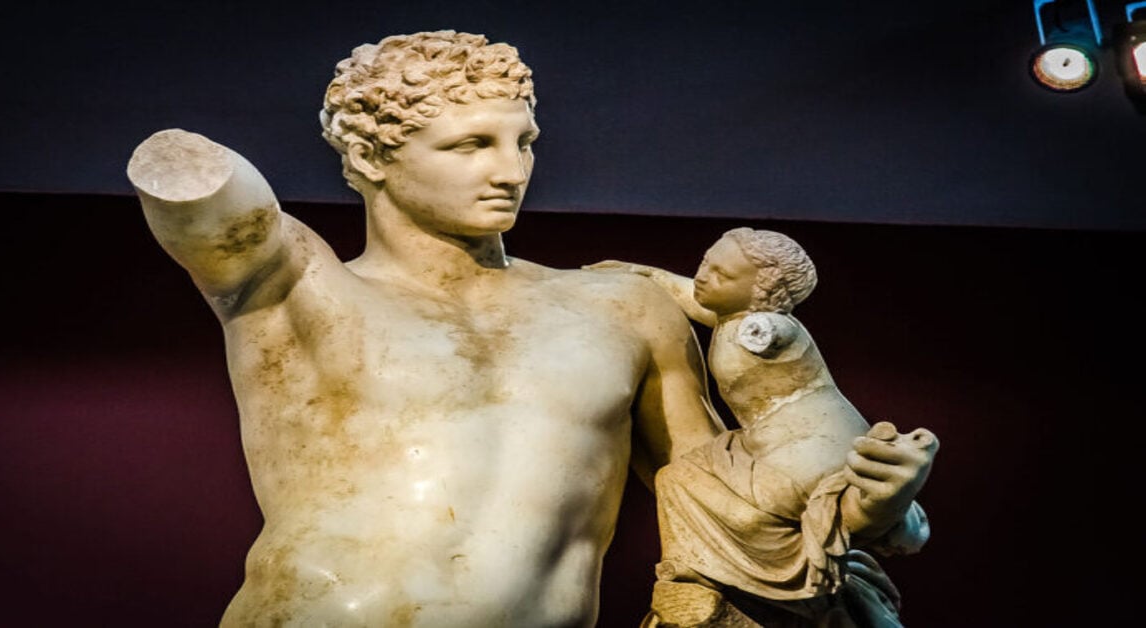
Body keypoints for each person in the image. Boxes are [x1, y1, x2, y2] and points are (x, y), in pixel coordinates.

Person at [126, 30, 936, 627]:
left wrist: (866, 504)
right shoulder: (301, 288)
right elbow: (217, 216)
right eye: (471, 145)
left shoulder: (622, 308)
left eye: (524, 141)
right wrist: (190, 175)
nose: (510, 170)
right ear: (371, 158)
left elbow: (725, 499)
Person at [589, 229, 936, 627]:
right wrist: (647, 275)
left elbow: (767, 331)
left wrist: (766, 330)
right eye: (706, 263)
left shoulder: (767, 328)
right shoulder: (735, 315)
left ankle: (712, 576)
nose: (703, 277)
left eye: (721, 275)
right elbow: (695, 297)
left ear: (763, 294)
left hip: (806, 452)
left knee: (677, 479)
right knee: (689, 475)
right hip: (780, 445)